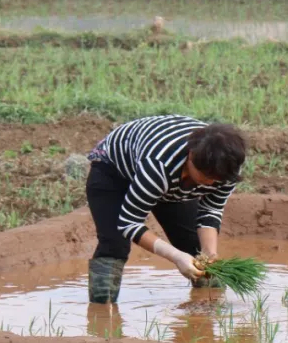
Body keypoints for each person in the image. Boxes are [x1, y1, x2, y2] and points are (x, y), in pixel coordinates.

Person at [85, 115, 246, 304]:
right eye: (206, 177)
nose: (210, 183)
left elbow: (210, 209)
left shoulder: (227, 168)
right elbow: (129, 223)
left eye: (216, 180)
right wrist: (176, 257)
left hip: (167, 179)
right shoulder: (158, 166)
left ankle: (207, 313)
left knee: (196, 251)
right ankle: (101, 312)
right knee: (114, 245)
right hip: (113, 171)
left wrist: (209, 253)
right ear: (191, 156)